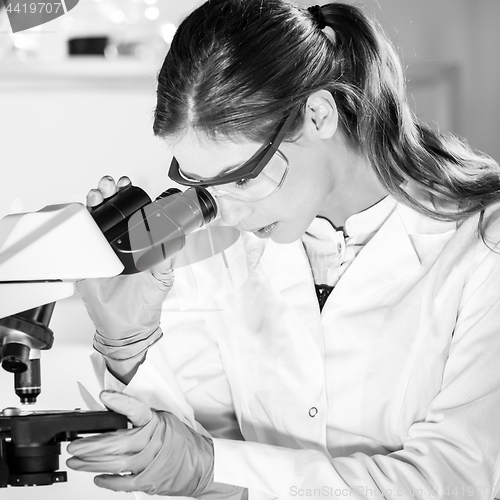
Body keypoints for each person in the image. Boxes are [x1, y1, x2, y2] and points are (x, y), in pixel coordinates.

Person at [66, 0, 500, 499]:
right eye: (204, 187)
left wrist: (209, 464)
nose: (226, 213)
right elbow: (189, 446)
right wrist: (129, 346)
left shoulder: (482, 245)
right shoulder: (222, 245)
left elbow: (455, 481)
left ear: (317, 116)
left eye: (243, 178)